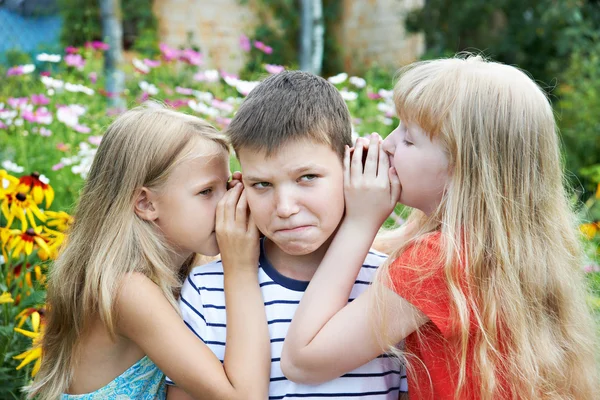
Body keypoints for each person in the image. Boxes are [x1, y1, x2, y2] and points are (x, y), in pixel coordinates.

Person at [281, 55, 599, 399]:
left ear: (463, 167)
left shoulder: (436, 260)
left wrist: (360, 222)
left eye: (408, 139)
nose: (386, 143)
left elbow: (303, 361)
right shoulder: (510, 247)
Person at [167, 71, 407, 400]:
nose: (284, 207)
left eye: (307, 177)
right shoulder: (208, 290)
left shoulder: (393, 285)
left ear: (352, 165)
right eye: (261, 184)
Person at [28, 105, 270, 400]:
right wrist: (241, 269)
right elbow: (244, 397)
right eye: (207, 191)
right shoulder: (127, 290)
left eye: (228, 186)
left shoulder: (182, 268)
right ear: (145, 204)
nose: (228, 203)